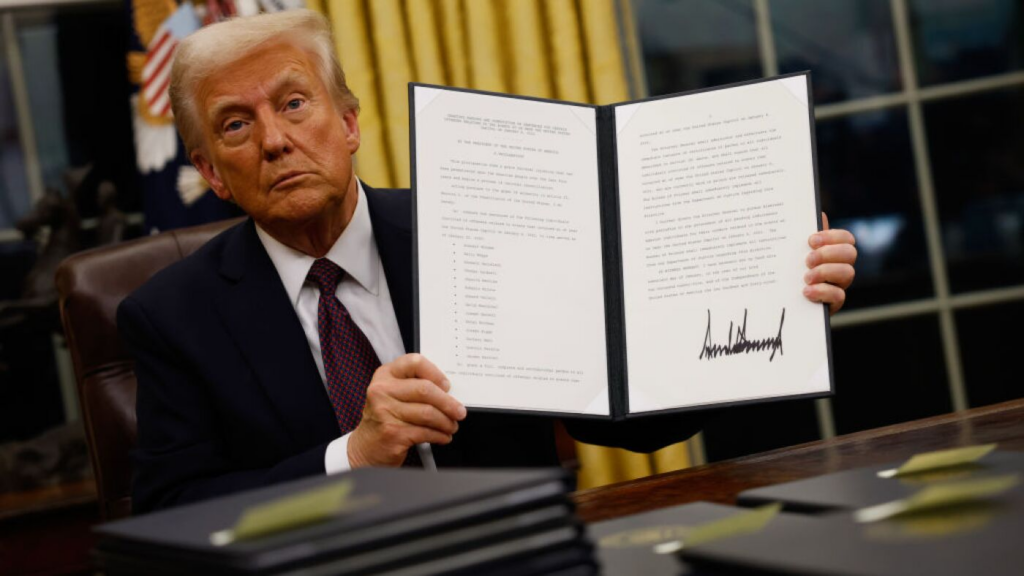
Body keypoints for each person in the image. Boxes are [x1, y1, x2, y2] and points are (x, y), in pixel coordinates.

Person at [119, 10, 857, 514]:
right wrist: (355, 455)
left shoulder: (479, 225)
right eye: (237, 125)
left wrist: (776, 307)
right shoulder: (172, 316)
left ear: (348, 125)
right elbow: (171, 512)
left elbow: (623, 419)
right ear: (212, 172)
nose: (275, 141)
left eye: (294, 104)